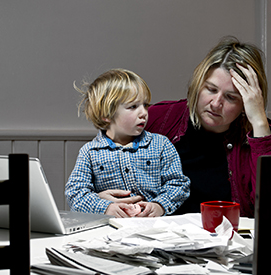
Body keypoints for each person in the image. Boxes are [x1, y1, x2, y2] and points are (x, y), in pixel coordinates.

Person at [144, 37, 271, 217]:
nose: (216, 103)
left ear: (246, 103)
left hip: (232, 241)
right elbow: (99, 164)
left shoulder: (263, 135)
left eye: (231, 97)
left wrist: (259, 123)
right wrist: (101, 196)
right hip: (160, 239)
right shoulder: (160, 118)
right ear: (198, 85)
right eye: (211, 89)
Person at [65, 69, 190, 218]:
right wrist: (106, 207)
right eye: (133, 107)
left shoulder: (161, 145)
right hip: (109, 228)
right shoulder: (90, 152)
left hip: (153, 227)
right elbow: (75, 193)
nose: (143, 113)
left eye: (145, 105)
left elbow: (178, 183)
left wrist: (160, 205)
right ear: (106, 114)